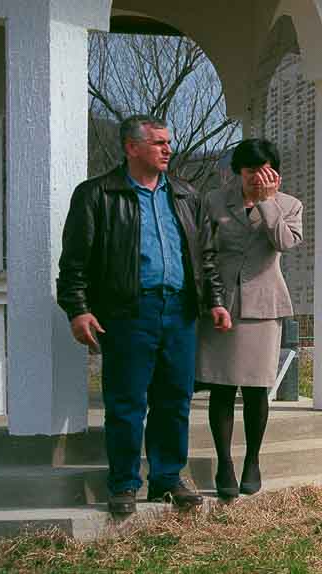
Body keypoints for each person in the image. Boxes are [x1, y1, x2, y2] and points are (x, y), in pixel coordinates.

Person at [57, 115, 226, 514]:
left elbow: (206, 257)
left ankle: (167, 478)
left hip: (180, 311)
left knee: (175, 400)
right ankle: (124, 484)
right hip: (128, 311)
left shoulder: (185, 195)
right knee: (127, 402)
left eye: (169, 142)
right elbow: (74, 261)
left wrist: (215, 300)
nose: (168, 150)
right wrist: (78, 309)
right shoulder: (98, 194)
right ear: (131, 147)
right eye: (158, 143)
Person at [197, 139, 302, 500]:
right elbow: (202, 252)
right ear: (236, 172)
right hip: (221, 305)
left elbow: (286, 243)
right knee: (222, 386)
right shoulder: (212, 201)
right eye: (249, 171)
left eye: (264, 170)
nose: (256, 177)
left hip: (264, 305)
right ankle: (224, 462)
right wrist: (210, 298)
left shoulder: (289, 204)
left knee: (257, 388)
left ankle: (252, 460)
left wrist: (267, 203)